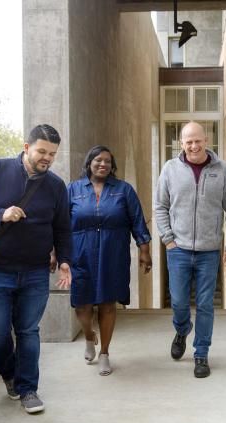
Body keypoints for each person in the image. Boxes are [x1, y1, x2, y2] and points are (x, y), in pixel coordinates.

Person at [0, 124, 72, 414]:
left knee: (27, 331)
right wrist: (0, 214)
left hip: (36, 272)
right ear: (26, 148)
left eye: (53, 154)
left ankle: (28, 390)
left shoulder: (56, 186)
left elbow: (62, 228)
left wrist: (64, 261)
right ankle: (9, 374)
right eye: (42, 151)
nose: (47, 158)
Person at [155, 121, 226, 378]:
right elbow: (160, 206)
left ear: (207, 140)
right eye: (188, 141)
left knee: (205, 304)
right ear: (181, 143)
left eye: (198, 140)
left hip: (209, 251)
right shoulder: (170, 169)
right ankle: (182, 329)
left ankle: (201, 353)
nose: (193, 146)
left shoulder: (222, 170)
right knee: (180, 302)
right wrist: (168, 239)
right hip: (177, 249)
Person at [68, 145, 152, 376]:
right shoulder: (73, 190)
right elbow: (60, 224)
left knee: (107, 304)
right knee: (81, 305)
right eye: (98, 160)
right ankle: (88, 336)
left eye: (107, 161)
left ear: (112, 166)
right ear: (89, 163)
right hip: (81, 254)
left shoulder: (123, 190)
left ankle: (104, 352)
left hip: (112, 254)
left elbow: (137, 221)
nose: (102, 164)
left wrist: (144, 250)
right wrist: (55, 253)